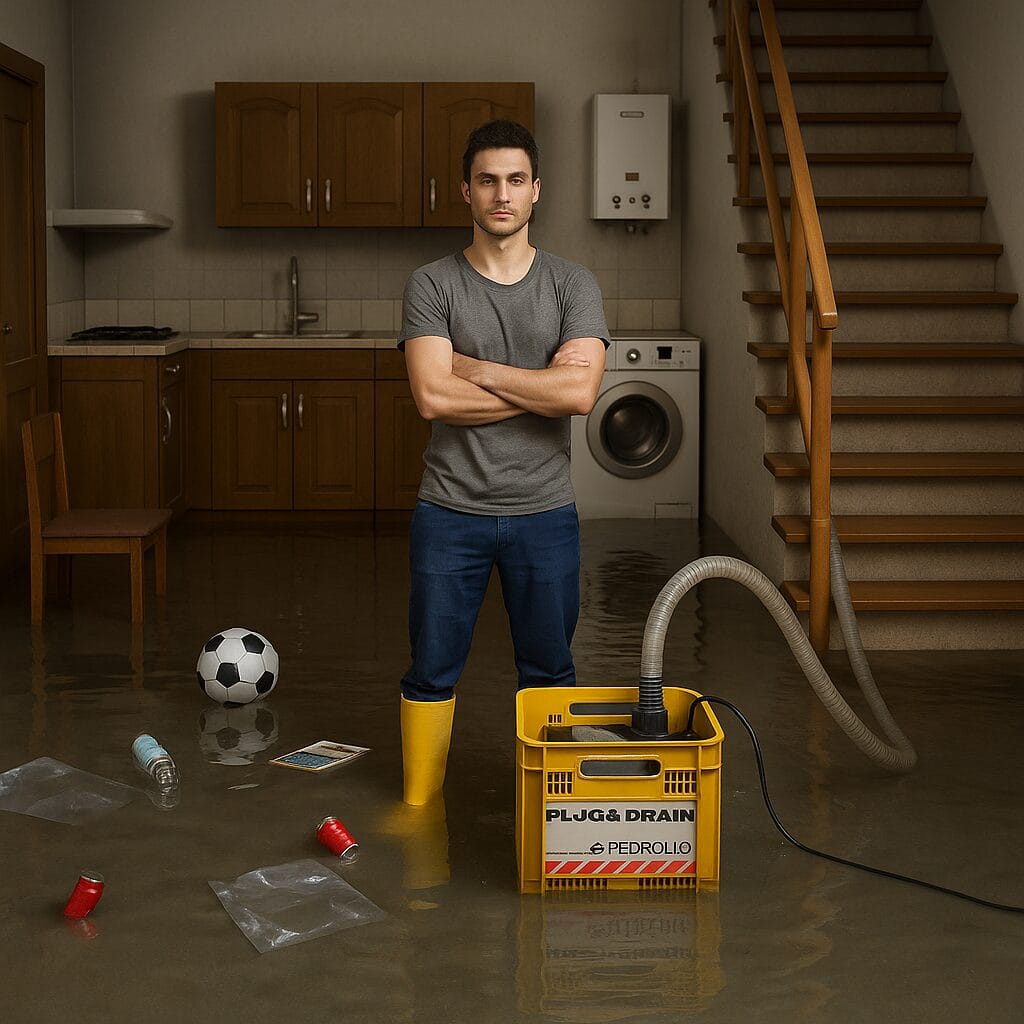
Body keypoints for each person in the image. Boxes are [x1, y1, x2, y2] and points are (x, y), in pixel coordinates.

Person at [396, 119, 609, 805]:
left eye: (516, 179)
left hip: (544, 512)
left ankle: (553, 808)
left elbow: (579, 392)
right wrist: (537, 388)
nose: (501, 194)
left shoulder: (573, 284)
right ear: (466, 190)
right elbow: (431, 396)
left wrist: (477, 369)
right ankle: (420, 806)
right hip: (447, 510)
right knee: (430, 670)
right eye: (487, 180)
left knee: (548, 671)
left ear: (536, 190)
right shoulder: (432, 284)